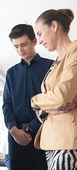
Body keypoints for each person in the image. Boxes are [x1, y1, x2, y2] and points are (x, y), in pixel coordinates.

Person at [2, 24, 53, 170]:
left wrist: (30, 128)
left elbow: (51, 102)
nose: (20, 50)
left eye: (23, 45)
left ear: (34, 41)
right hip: (15, 137)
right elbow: (7, 104)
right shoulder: (11, 73)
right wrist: (13, 129)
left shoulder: (51, 67)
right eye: (16, 46)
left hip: (42, 132)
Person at [31, 9, 77, 170]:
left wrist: (35, 101)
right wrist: (46, 106)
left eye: (40, 33)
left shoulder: (75, 51)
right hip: (53, 140)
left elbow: (60, 96)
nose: (39, 40)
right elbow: (52, 102)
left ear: (54, 26)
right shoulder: (57, 61)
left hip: (68, 140)